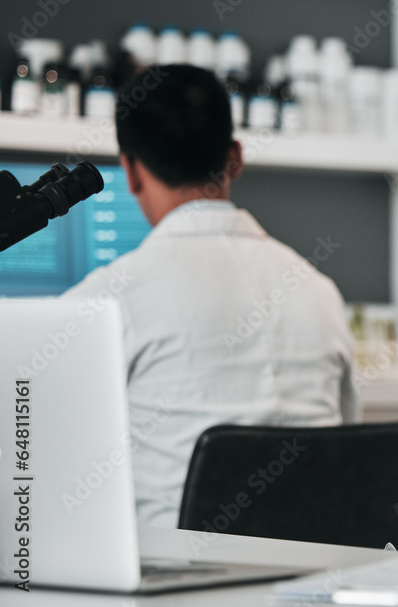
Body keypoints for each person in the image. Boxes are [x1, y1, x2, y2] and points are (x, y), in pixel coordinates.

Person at [62, 64, 358, 528]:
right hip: (311, 578)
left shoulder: (106, 300)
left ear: (131, 172)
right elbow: (347, 443)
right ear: (235, 157)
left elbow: (37, 453)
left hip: (170, 589)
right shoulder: (320, 292)